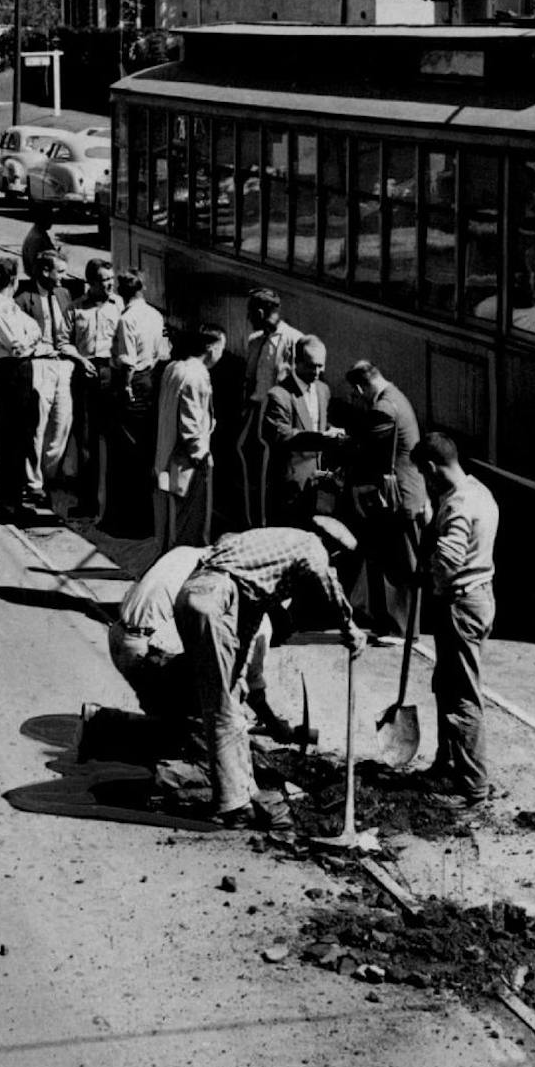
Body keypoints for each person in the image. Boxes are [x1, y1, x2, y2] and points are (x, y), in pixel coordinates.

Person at [172, 522, 362, 826]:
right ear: (332, 547)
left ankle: (243, 793)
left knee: (229, 700)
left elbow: (246, 625)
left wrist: (241, 678)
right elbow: (325, 578)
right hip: (212, 598)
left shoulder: (263, 558)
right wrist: (349, 627)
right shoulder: (311, 545)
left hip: (196, 596)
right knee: (221, 708)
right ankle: (232, 806)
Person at [107, 544, 296, 748]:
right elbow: (251, 681)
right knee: (222, 693)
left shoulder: (188, 553)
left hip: (119, 636)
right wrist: (274, 724)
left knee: (169, 712)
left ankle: (116, 727)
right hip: (145, 653)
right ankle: (111, 730)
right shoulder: (251, 608)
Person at [411, 433, 499, 808]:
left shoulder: (460, 504)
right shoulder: (478, 489)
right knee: (447, 685)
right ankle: (447, 766)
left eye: (424, 475)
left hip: (460, 605)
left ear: (432, 468)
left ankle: (471, 787)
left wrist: (428, 575)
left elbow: (448, 561)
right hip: (479, 596)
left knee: (462, 696)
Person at [338, 358, 430, 642]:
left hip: (398, 497)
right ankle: (391, 624)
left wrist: (340, 446)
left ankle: (398, 628)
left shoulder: (383, 408)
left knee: (398, 561)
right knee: (393, 557)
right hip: (403, 493)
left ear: (360, 386)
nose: (356, 400)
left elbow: (365, 450)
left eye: (355, 394)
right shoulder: (396, 398)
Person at [0, 255, 42, 520]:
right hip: (11, 372)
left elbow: (35, 330)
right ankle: (7, 503)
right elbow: (17, 343)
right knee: (11, 439)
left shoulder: (10, 306)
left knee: (21, 436)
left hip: (22, 370)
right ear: (13, 281)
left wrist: (29, 341)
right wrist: (30, 341)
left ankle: (14, 499)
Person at [20, 250, 80, 517]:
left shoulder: (64, 295)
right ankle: (33, 484)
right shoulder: (23, 300)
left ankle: (48, 475)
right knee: (36, 424)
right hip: (39, 365)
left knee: (61, 424)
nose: (64, 278)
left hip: (63, 365)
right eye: (60, 272)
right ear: (45, 272)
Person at [261, 335, 343, 528]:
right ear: (296, 363)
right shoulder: (279, 396)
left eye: (320, 366)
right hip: (290, 486)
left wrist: (332, 431)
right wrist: (321, 438)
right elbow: (281, 436)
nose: (317, 372)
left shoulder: (323, 390)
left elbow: (317, 424)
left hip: (316, 485)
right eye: (311, 366)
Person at [105, 271, 165, 536]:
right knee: (144, 451)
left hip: (132, 384)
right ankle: (146, 520)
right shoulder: (155, 314)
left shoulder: (126, 319)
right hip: (150, 380)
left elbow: (127, 360)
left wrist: (126, 387)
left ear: (121, 292)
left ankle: (124, 522)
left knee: (124, 454)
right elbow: (161, 352)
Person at [238, 290, 304, 527]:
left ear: (259, 313)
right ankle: (252, 520)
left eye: (250, 314)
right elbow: (249, 377)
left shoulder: (293, 340)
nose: (248, 319)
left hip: (275, 415)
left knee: (272, 473)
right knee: (252, 470)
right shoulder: (255, 340)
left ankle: (268, 522)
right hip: (256, 411)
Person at [155, 324, 222, 553]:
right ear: (211, 348)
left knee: (170, 518)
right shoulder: (196, 376)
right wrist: (201, 457)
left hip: (167, 455)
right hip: (188, 461)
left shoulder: (173, 368)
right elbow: (191, 424)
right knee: (189, 523)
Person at [67, 259, 123, 521]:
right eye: (104, 280)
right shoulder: (75, 309)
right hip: (85, 374)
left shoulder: (120, 306)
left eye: (111, 278)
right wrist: (79, 359)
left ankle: (112, 505)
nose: (109, 284)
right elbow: (62, 342)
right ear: (91, 282)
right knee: (87, 441)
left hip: (111, 374)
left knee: (113, 439)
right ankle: (87, 503)